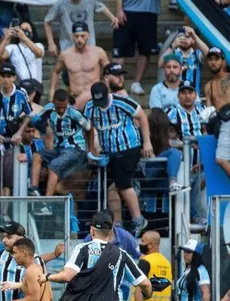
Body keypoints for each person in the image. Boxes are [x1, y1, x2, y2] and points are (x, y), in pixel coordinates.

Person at [85, 82, 153, 238]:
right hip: (109, 152)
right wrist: (91, 150)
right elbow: (88, 128)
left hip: (129, 147)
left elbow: (142, 116)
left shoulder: (122, 102)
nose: (101, 105)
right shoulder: (90, 107)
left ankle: (138, 220)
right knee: (111, 188)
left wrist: (147, 142)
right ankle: (118, 224)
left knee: (122, 183)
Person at [0, 63, 31, 226]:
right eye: (2, 76)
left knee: (8, 179)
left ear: (14, 78)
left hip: (11, 142)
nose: (5, 80)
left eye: (8, 76)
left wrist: (19, 132)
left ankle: (5, 214)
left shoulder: (20, 94)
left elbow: (29, 115)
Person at [29, 89, 89, 216]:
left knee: (54, 166)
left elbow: (89, 127)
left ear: (67, 103)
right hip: (60, 148)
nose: (61, 110)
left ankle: (47, 204)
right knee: (37, 156)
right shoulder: (49, 109)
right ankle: (33, 190)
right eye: (58, 107)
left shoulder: (75, 113)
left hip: (76, 148)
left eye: (63, 107)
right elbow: (35, 120)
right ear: (53, 103)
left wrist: (92, 151)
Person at [204, 47, 230, 212]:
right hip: (217, 123)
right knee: (217, 160)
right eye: (211, 59)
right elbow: (209, 109)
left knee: (221, 159)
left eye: (217, 58)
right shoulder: (208, 86)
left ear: (223, 60)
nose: (213, 62)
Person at [50, 23, 109, 110]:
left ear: (88, 35)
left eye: (82, 36)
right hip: (75, 97)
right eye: (76, 36)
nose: (79, 39)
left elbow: (109, 72)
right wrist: (52, 90)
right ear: (72, 37)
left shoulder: (98, 52)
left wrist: (106, 89)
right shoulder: (65, 55)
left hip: (94, 97)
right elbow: (56, 72)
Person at [111, 0, 161, 96]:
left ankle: (136, 83)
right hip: (127, 10)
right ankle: (114, 83)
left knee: (145, 50)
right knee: (119, 50)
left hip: (149, 12)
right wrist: (119, 9)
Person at [44, 0, 119, 53]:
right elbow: (47, 22)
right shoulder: (60, 3)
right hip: (69, 48)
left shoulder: (91, 1)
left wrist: (112, 17)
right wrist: (51, 43)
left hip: (89, 47)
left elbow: (102, 7)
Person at [158, 26, 209, 94]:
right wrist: (173, 45)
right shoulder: (173, 54)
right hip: (175, 99)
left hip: (194, 99)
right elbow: (160, 64)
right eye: (181, 37)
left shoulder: (197, 54)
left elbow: (208, 54)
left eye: (188, 37)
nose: (184, 39)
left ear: (193, 40)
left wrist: (195, 36)